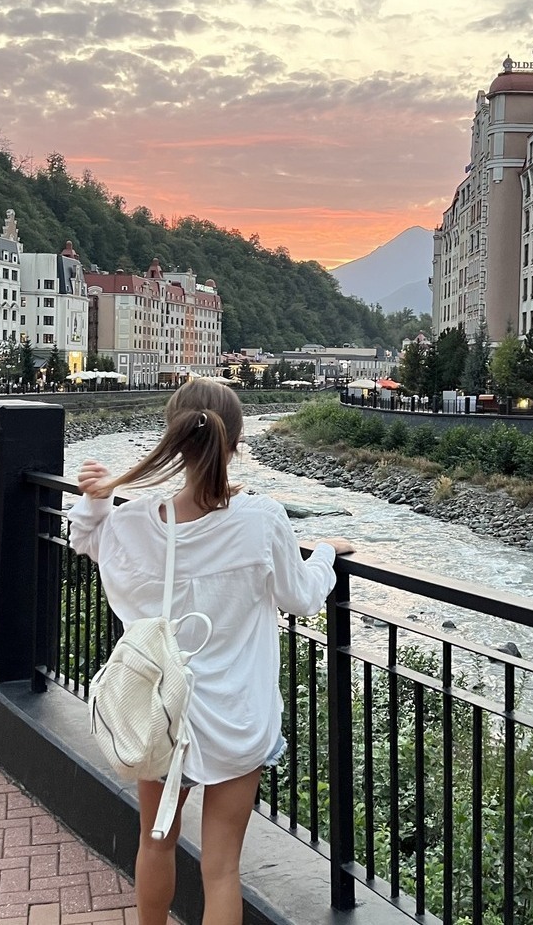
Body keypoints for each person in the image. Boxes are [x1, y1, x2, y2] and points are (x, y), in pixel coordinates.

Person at [68, 378, 351, 925]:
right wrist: (323, 554)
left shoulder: (136, 521)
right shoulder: (260, 519)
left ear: (172, 435)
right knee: (222, 870)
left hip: (160, 709)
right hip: (237, 717)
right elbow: (301, 598)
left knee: (156, 842)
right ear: (237, 442)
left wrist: (96, 499)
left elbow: (88, 540)